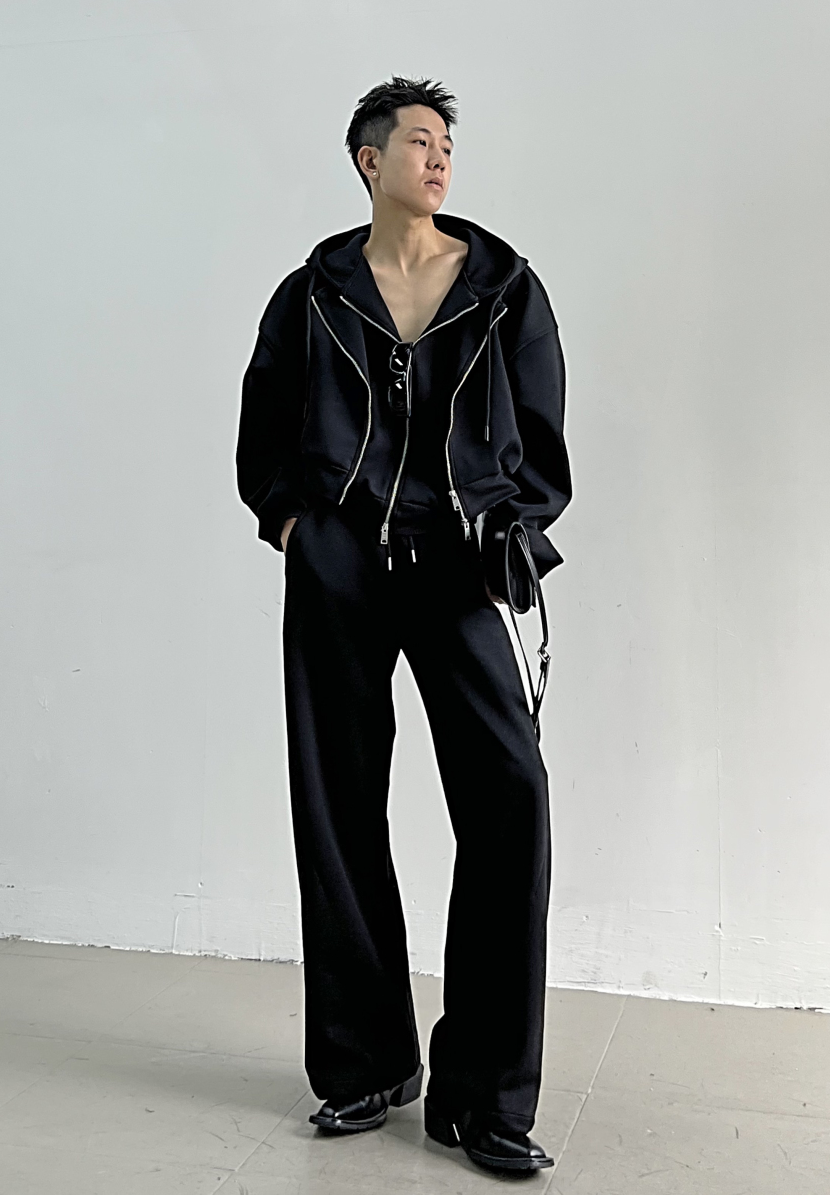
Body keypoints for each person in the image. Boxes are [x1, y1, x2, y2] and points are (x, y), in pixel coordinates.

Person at [236, 76, 571, 1174]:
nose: (439, 160)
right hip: (339, 563)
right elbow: (262, 427)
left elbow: (542, 441)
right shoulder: (313, 292)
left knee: (510, 797)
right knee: (337, 805)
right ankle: (364, 1065)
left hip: (462, 565)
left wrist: (511, 532)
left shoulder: (504, 286)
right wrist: (295, 526)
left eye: (446, 146)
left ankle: (487, 1096)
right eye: (419, 142)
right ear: (368, 161)